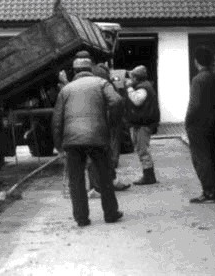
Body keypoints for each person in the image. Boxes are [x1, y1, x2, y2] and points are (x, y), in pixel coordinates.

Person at [52, 54, 124, 227]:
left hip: (72, 141)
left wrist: (58, 145)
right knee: (104, 176)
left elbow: (56, 121)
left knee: (76, 180)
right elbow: (116, 100)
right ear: (90, 69)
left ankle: (81, 218)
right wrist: (111, 123)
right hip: (98, 137)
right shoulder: (101, 83)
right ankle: (111, 214)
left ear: (75, 71)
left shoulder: (66, 90)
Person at [185, 46, 215, 203]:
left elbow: (194, 104)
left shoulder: (198, 80)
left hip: (198, 124)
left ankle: (208, 191)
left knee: (201, 157)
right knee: (213, 154)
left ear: (196, 61)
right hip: (214, 121)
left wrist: (188, 121)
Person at [83, 53, 130, 194]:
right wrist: (114, 118)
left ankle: (94, 186)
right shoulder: (101, 73)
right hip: (102, 117)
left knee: (91, 154)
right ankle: (107, 183)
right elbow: (115, 99)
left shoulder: (75, 80)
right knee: (105, 151)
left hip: (87, 119)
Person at [126, 65, 160, 185]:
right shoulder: (146, 86)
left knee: (142, 150)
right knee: (141, 149)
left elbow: (137, 101)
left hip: (143, 124)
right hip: (142, 123)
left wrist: (129, 89)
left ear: (136, 77)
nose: (130, 79)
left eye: (132, 77)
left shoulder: (142, 88)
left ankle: (149, 176)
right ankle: (148, 175)